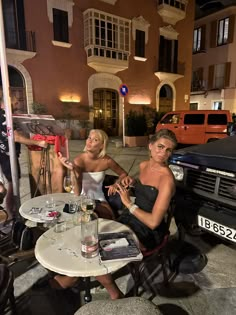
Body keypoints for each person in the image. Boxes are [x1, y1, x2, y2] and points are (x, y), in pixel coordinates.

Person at [52, 129, 131, 295]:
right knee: (68, 227)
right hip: (81, 202)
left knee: (89, 232)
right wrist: (73, 171)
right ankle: (81, 274)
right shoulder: (79, 160)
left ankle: (72, 276)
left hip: (99, 203)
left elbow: (124, 174)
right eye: (89, 137)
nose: (89, 141)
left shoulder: (107, 160)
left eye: (94, 140)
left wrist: (117, 183)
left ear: (102, 145)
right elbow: (77, 191)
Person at [115, 129, 177, 252]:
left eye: (168, 150)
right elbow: (144, 190)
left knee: (110, 249)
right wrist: (132, 182)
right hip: (131, 217)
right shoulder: (143, 165)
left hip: (149, 230)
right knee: (100, 239)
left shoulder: (166, 180)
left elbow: (153, 222)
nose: (163, 152)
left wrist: (128, 204)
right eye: (160, 146)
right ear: (150, 146)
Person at [0, 98, 48, 219]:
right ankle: (12, 214)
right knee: (12, 185)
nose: (18, 105)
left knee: (9, 185)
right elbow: (15, 137)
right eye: (15, 102)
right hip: (7, 155)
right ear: (4, 103)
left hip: (3, 154)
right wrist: (38, 143)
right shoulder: (5, 116)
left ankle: (11, 212)